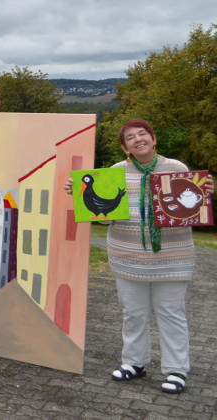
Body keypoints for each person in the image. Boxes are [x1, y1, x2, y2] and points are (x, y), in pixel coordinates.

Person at [64, 118, 213, 395]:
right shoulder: (115, 173)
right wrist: (81, 197)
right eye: (130, 137)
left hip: (171, 258)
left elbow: (187, 214)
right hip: (127, 256)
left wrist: (203, 195)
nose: (138, 139)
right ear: (125, 147)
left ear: (153, 139)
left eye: (142, 133)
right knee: (133, 313)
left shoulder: (176, 169)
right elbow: (106, 220)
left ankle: (176, 369)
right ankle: (134, 362)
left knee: (171, 313)